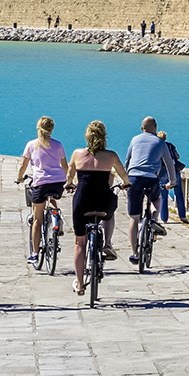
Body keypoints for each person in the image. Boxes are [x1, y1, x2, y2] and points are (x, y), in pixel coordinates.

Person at [66, 120, 129, 294]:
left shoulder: (77, 154)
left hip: (82, 202)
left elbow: (70, 176)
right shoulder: (111, 156)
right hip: (103, 200)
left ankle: (79, 283)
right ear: (104, 137)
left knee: (80, 242)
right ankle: (107, 243)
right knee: (109, 213)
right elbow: (124, 176)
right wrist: (126, 183)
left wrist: (69, 184)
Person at [15, 116, 69, 263]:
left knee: (37, 220)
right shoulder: (58, 145)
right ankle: (57, 218)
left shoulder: (32, 145)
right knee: (52, 199)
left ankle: (35, 253)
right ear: (52, 129)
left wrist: (19, 178)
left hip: (40, 182)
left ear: (38, 128)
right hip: (58, 182)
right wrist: (70, 181)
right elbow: (65, 166)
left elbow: (23, 166)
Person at [123, 117, 177, 263]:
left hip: (134, 178)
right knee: (156, 199)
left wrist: (126, 179)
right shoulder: (160, 142)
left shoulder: (134, 140)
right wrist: (172, 182)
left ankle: (135, 253)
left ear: (142, 128)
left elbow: (127, 161)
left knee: (134, 217)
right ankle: (154, 219)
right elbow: (169, 164)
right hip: (151, 178)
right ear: (155, 127)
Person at [156, 130, 188, 224]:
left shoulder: (157, 147)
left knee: (163, 196)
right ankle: (182, 216)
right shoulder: (170, 145)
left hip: (162, 172)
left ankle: (164, 218)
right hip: (174, 171)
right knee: (179, 194)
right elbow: (177, 156)